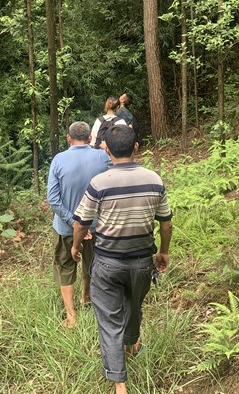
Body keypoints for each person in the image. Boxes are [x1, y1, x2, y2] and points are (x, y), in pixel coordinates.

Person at [71, 125, 173, 394]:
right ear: (136, 147)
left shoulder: (99, 183)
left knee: (109, 321)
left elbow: (81, 223)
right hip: (142, 262)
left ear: (106, 150)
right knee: (133, 305)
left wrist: (76, 246)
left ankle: (119, 383)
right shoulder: (154, 179)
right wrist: (164, 251)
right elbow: (165, 223)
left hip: (107, 263)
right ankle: (131, 343)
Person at [46, 121, 110, 328]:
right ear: (90, 138)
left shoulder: (58, 160)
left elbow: (53, 199)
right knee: (92, 264)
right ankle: (87, 298)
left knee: (65, 266)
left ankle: (71, 315)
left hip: (65, 228)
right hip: (95, 226)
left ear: (68, 138)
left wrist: (73, 222)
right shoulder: (102, 157)